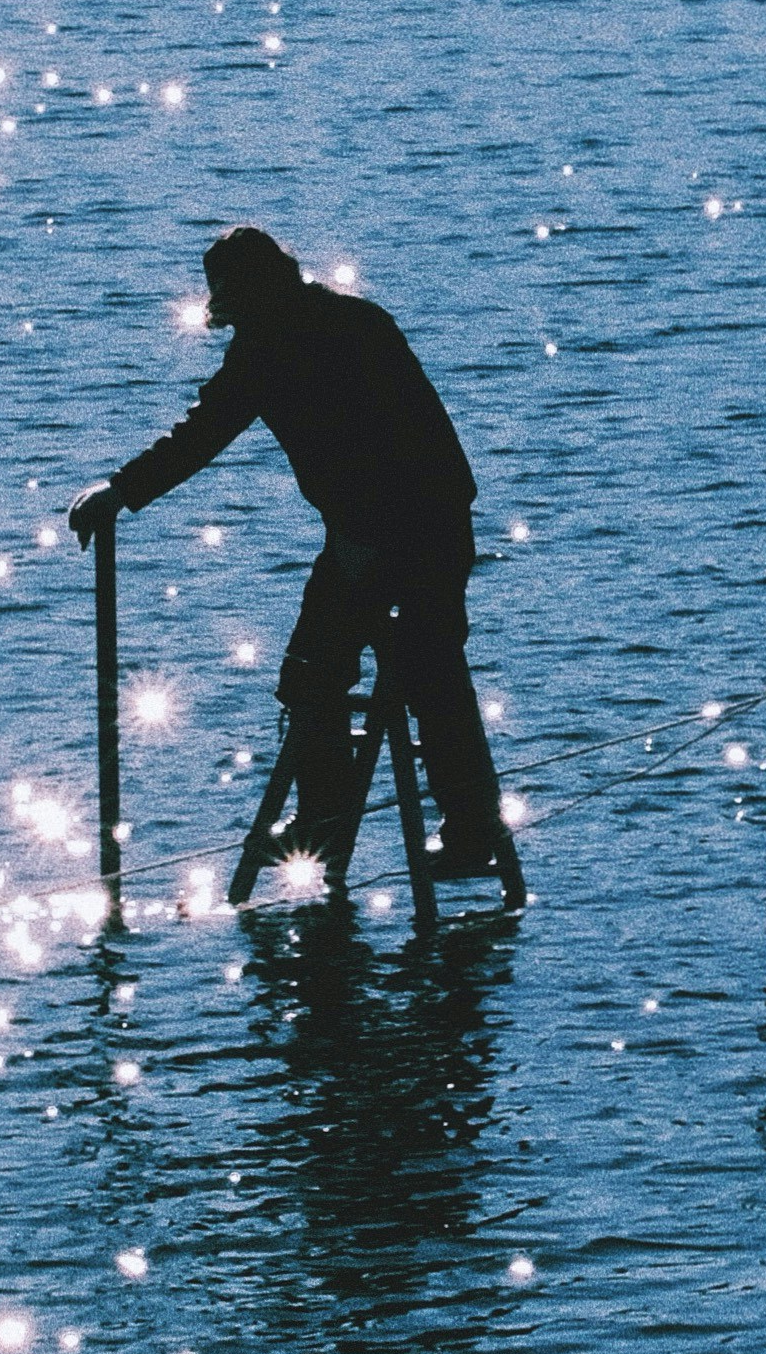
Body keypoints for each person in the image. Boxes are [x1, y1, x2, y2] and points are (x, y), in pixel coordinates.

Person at [70, 228, 517, 897]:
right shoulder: (274, 342)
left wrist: (375, 537)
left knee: (423, 667)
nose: (233, 323)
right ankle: (327, 821)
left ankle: (461, 829)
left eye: (236, 307)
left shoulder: (339, 331)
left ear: (261, 291)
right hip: (366, 531)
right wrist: (124, 491)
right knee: (316, 672)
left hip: (420, 525)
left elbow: (411, 441)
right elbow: (205, 428)